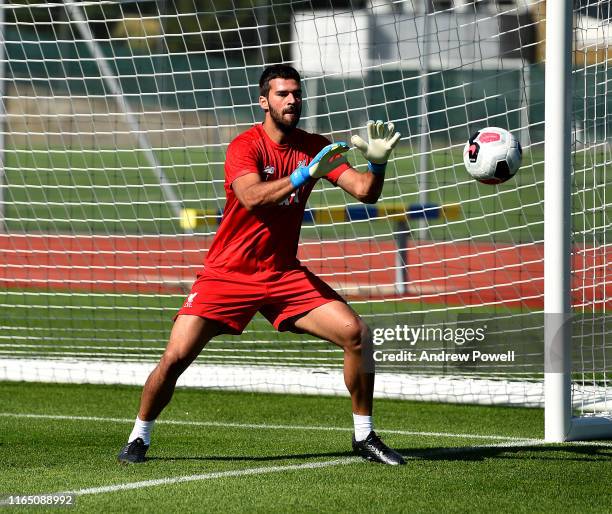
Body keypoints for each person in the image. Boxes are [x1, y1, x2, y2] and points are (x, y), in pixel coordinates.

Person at [118, 64, 405, 466]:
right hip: (227, 274)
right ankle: (138, 437)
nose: (291, 100)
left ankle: (364, 437)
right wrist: (307, 173)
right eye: (282, 94)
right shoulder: (245, 146)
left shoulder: (313, 145)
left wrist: (376, 164)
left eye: (296, 94)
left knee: (356, 334)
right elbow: (252, 197)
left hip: (283, 274)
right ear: (264, 101)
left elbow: (364, 192)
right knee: (176, 358)